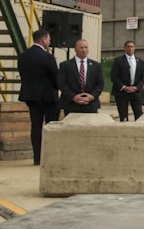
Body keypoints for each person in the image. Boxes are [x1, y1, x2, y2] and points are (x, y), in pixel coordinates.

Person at [17, 28, 59, 165]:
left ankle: (37, 158)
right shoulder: (47, 57)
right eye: (48, 39)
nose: (49, 41)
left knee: (35, 127)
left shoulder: (23, 56)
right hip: (48, 97)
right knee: (51, 126)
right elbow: (55, 77)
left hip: (30, 96)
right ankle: (50, 156)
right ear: (43, 40)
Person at [58, 39, 103, 116]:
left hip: (90, 104)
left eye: (86, 47)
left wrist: (91, 96)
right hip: (71, 104)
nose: (84, 50)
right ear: (75, 49)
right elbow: (61, 84)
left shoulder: (96, 66)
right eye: (81, 48)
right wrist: (73, 97)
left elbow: (100, 84)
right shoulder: (65, 65)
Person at [109, 40, 144, 122]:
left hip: (135, 92)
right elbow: (114, 76)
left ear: (134, 48)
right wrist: (124, 87)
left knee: (139, 114)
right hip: (122, 93)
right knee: (123, 116)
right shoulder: (118, 61)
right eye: (128, 46)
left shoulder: (140, 62)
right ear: (124, 48)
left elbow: (143, 77)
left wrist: (136, 87)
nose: (130, 48)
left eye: (132, 47)